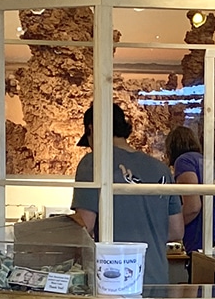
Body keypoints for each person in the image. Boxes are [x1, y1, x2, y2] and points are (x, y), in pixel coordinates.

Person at [72, 103, 182, 283]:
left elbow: (85, 225)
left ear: (92, 128)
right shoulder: (161, 169)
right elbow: (176, 230)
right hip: (157, 278)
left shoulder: (94, 162)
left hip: (114, 277)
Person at [165, 126, 215, 253]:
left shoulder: (184, 162)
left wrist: (173, 228)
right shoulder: (206, 160)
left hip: (204, 242)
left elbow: (193, 207)